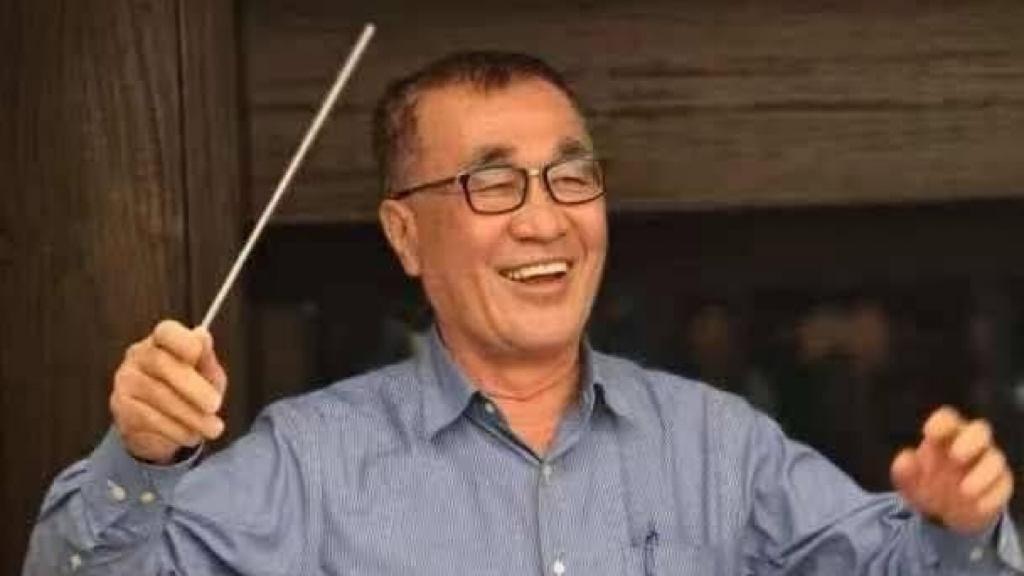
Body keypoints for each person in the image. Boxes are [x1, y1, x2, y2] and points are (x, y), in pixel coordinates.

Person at [23, 51, 1023, 575]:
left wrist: (959, 530)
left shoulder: (721, 449)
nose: (545, 219)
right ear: (406, 235)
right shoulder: (307, 465)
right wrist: (139, 458)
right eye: (492, 184)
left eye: (570, 176)